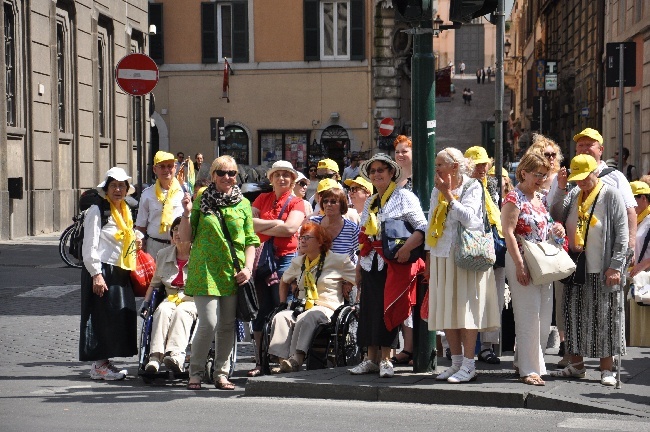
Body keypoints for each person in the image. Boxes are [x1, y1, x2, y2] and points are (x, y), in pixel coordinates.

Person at [179, 155, 259, 390]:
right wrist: (186, 212)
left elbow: (250, 240)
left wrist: (248, 268)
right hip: (205, 269)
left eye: (231, 173)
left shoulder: (243, 203)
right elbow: (186, 238)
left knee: (227, 325)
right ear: (213, 175)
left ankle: (221, 373)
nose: (227, 177)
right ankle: (195, 372)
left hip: (233, 272)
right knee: (209, 323)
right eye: (222, 173)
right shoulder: (202, 198)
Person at [549, 154, 628, 386]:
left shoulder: (610, 194)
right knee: (574, 317)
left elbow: (622, 235)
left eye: (585, 177)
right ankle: (576, 365)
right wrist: (562, 189)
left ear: (596, 172)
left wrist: (615, 266)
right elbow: (555, 215)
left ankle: (606, 370)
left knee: (605, 318)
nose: (581, 182)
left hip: (603, 269)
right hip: (577, 266)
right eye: (577, 178)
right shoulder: (573, 194)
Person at [425, 148, 500, 383]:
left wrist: (448, 195)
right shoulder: (437, 189)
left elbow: (470, 219)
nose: (435, 168)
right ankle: (456, 362)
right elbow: (430, 223)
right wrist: (428, 257)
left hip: (466, 256)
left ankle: (469, 363)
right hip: (441, 254)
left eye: (440, 164)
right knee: (448, 308)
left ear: (454, 166)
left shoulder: (472, 186)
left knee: (467, 309)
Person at [350, 153, 427, 378]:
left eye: (380, 170)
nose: (376, 174)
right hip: (369, 261)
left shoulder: (404, 196)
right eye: (373, 171)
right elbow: (364, 234)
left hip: (393, 262)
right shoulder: (371, 201)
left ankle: (386, 359)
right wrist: (358, 266)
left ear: (391, 173)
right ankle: (370, 358)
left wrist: (405, 249)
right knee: (369, 311)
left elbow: (421, 227)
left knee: (388, 309)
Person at [501, 152, 566, 386]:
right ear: (523, 172)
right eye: (537, 174)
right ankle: (529, 369)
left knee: (543, 316)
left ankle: (525, 361)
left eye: (544, 174)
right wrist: (519, 265)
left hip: (542, 262)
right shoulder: (513, 197)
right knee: (528, 316)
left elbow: (546, 227)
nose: (541, 179)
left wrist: (557, 229)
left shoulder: (540, 198)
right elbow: (508, 232)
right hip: (523, 259)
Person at [80, 167, 142, 380]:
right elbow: (89, 247)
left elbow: (124, 235)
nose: (118, 189)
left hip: (120, 269)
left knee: (116, 317)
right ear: (106, 189)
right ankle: (99, 365)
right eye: (113, 185)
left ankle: (105, 363)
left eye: (122, 186)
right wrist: (96, 274)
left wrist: (136, 238)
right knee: (102, 317)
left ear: (127, 190)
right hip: (102, 269)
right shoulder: (97, 211)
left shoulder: (125, 209)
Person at [268, 222, 356, 372]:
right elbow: (284, 281)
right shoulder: (298, 262)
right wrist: (283, 303)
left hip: (327, 309)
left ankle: (297, 359)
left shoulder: (339, 260)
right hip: (303, 306)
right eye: (301, 237)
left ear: (320, 241)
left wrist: (350, 285)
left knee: (309, 316)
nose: (302, 241)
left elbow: (359, 279)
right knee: (282, 317)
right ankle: (283, 362)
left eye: (307, 238)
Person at [249, 160, 306, 377]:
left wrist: (264, 224)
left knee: (284, 307)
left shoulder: (297, 202)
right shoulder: (261, 198)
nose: (282, 178)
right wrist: (278, 226)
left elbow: (291, 228)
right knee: (261, 310)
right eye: (278, 175)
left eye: (287, 175)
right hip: (262, 259)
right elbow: (249, 225)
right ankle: (260, 359)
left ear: (293, 180)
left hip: (286, 259)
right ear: (271, 179)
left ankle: (281, 357)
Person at [552, 128, 636, 251]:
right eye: (580, 145)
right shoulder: (566, 177)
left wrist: (631, 246)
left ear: (600, 150)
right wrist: (561, 188)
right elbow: (556, 215)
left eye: (589, 145)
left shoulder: (615, 176)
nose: (584, 149)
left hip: (604, 253)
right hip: (572, 254)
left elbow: (630, 212)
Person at [464, 146, 505, 365]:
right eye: (477, 164)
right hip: (474, 249)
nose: (482, 168)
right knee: (473, 299)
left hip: (494, 246)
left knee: (493, 299)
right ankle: (468, 348)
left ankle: (488, 346)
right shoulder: (464, 187)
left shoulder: (491, 186)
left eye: (484, 164)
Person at [141, 216, 196, 373]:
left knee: (182, 311)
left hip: (192, 298)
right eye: (175, 229)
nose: (178, 233)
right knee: (162, 310)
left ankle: (176, 355)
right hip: (171, 296)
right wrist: (145, 302)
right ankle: (154, 358)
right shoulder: (163, 254)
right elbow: (155, 283)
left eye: (182, 229)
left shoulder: (199, 254)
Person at [136, 151, 184, 259]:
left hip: (177, 247)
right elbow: (140, 226)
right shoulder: (147, 194)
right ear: (154, 169)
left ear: (175, 168)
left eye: (170, 166)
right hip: (154, 247)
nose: (166, 170)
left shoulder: (183, 193)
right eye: (162, 166)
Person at [310, 185, 359, 262]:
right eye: (325, 201)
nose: (328, 204)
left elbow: (361, 254)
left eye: (333, 202)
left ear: (342, 205)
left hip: (343, 271)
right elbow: (303, 249)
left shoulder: (352, 228)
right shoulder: (313, 223)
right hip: (316, 271)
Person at [628, 181, 650, 347]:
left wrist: (641, 266)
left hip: (645, 277)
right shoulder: (635, 218)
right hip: (633, 277)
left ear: (643, 198)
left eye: (631, 198)